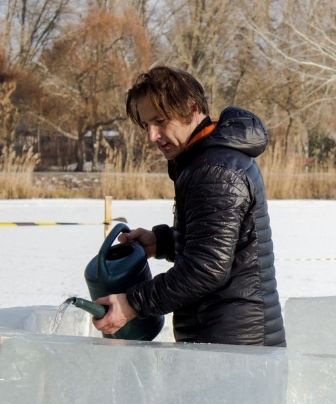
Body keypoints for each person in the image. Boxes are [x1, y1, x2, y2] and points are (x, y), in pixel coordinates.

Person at [93, 66, 286, 346]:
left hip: (232, 347)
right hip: (229, 337)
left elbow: (206, 268)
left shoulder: (214, 171)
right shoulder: (209, 161)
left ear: (192, 108)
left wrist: (133, 303)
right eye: (147, 124)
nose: (151, 135)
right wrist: (161, 242)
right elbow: (220, 243)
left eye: (160, 121)